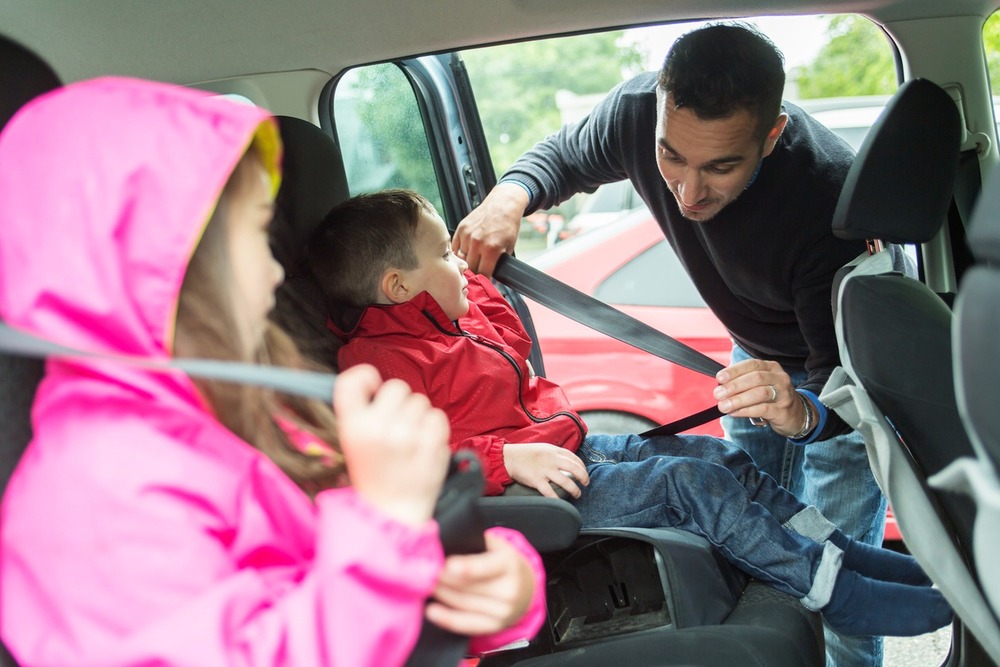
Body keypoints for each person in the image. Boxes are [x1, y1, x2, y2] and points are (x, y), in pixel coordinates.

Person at [0, 78, 546, 667]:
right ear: (167, 263)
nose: (273, 272)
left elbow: (364, 571)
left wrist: (499, 582)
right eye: (259, 237)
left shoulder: (253, 412)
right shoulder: (94, 497)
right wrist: (386, 527)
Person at [304, 188, 952, 642]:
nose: (458, 262)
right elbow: (404, 460)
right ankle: (836, 592)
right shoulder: (379, 362)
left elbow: (512, 344)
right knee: (687, 485)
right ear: (397, 286)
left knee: (722, 456)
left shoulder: (448, 315)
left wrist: (470, 282)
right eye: (443, 252)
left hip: (573, 448)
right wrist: (506, 459)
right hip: (532, 490)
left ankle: (840, 551)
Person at [450, 22, 896, 666]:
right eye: (671, 158)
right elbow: (560, 158)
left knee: (835, 582)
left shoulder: (828, 200)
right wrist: (508, 196)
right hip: (749, 364)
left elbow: (840, 392)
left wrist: (805, 413)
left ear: (770, 136)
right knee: (754, 553)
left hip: (833, 381)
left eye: (720, 167)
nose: (687, 191)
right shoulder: (636, 114)